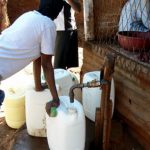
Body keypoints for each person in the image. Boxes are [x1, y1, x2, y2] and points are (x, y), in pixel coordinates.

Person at [0, 0, 64, 111]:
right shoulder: (48, 25)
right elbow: (47, 65)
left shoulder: (28, 15)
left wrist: (38, 86)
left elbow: (38, 56)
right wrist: (55, 99)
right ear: (56, 12)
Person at [53, 0, 81, 69]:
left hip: (66, 31)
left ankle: (65, 79)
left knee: (66, 66)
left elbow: (78, 9)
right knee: (59, 65)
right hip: (56, 30)